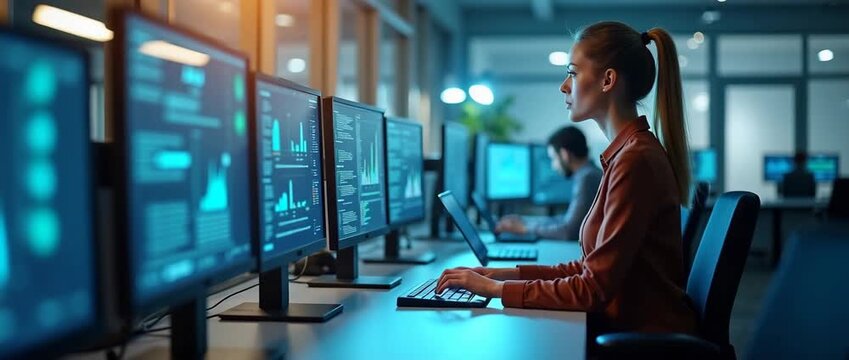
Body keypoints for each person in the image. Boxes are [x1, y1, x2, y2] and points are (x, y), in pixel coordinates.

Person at [436, 21, 698, 336]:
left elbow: (592, 289)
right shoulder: (625, 155)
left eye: (572, 73)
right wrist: (498, 275)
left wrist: (495, 290)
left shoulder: (635, 161)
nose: (564, 86)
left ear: (608, 80)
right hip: (628, 329)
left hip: (641, 340)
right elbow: (587, 269)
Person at [495, 126, 601, 240]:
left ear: (564, 154)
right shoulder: (590, 173)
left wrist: (524, 228)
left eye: (553, 158)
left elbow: (568, 231)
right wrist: (525, 221)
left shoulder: (587, 178)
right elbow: (566, 220)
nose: (554, 166)